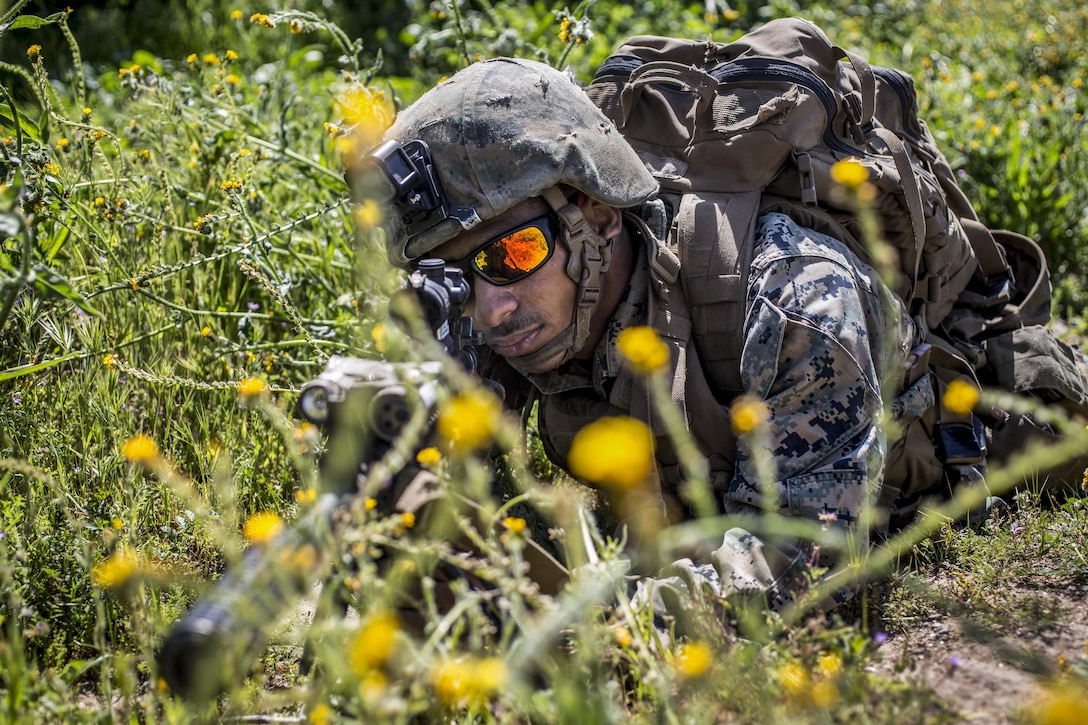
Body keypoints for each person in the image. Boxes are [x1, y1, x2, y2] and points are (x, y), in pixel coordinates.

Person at [351, 56, 997, 620]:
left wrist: (589, 635)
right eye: (457, 274)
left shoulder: (793, 297)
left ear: (597, 214)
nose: (491, 308)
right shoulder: (505, 307)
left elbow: (796, 567)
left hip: (947, 461)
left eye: (514, 251)